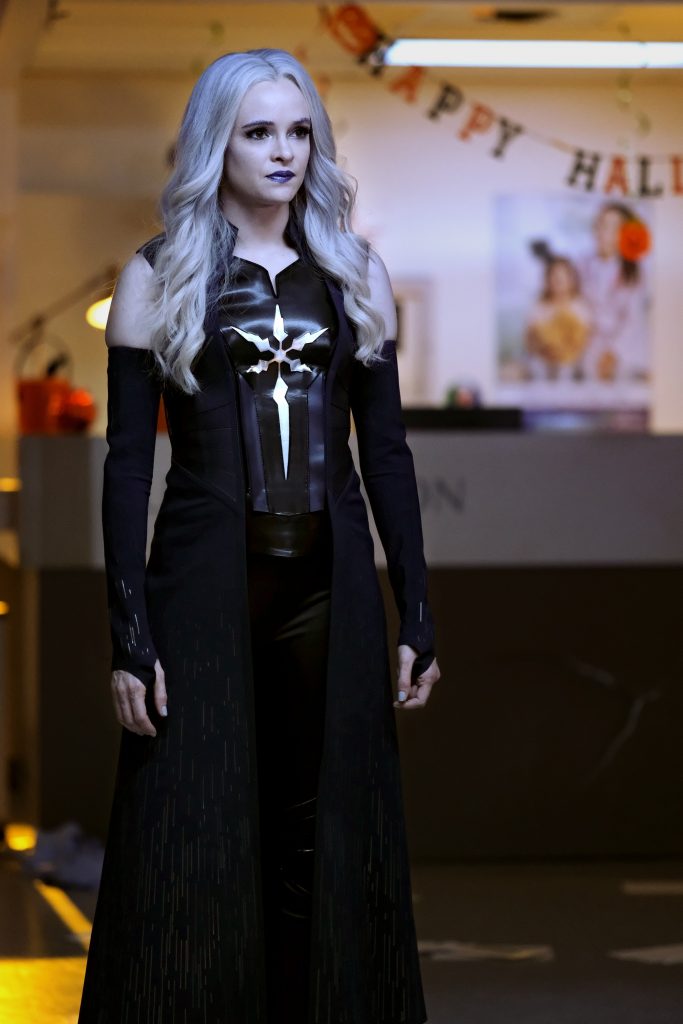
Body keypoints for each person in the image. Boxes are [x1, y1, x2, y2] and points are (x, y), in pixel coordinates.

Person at [78, 48, 440, 1024]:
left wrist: (415, 609)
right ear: (216, 143)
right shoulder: (157, 276)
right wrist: (129, 634)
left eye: (298, 131)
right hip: (203, 588)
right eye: (257, 132)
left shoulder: (354, 274)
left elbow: (387, 455)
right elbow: (126, 466)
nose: (283, 152)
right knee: (189, 825)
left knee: (320, 831)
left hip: (329, 586)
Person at [577, 201, 649, 383]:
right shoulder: (581, 265)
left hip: (624, 351)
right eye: (599, 225)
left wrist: (613, 353)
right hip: (588, 347)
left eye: (610, 227)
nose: (601, 232)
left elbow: (633, 320)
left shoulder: (635, 272)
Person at [524, 247, 591, 381]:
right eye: (554, 276)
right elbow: (530, 338)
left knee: (569, 370)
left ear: (572, 280)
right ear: (547, 280)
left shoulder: (580, 307)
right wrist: (544, 349)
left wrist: (564, 352)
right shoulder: (539, 307)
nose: (558, 280)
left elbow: (582, 339)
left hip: (571, 362)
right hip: (542, 360)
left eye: (563, 276)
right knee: (537, 368)